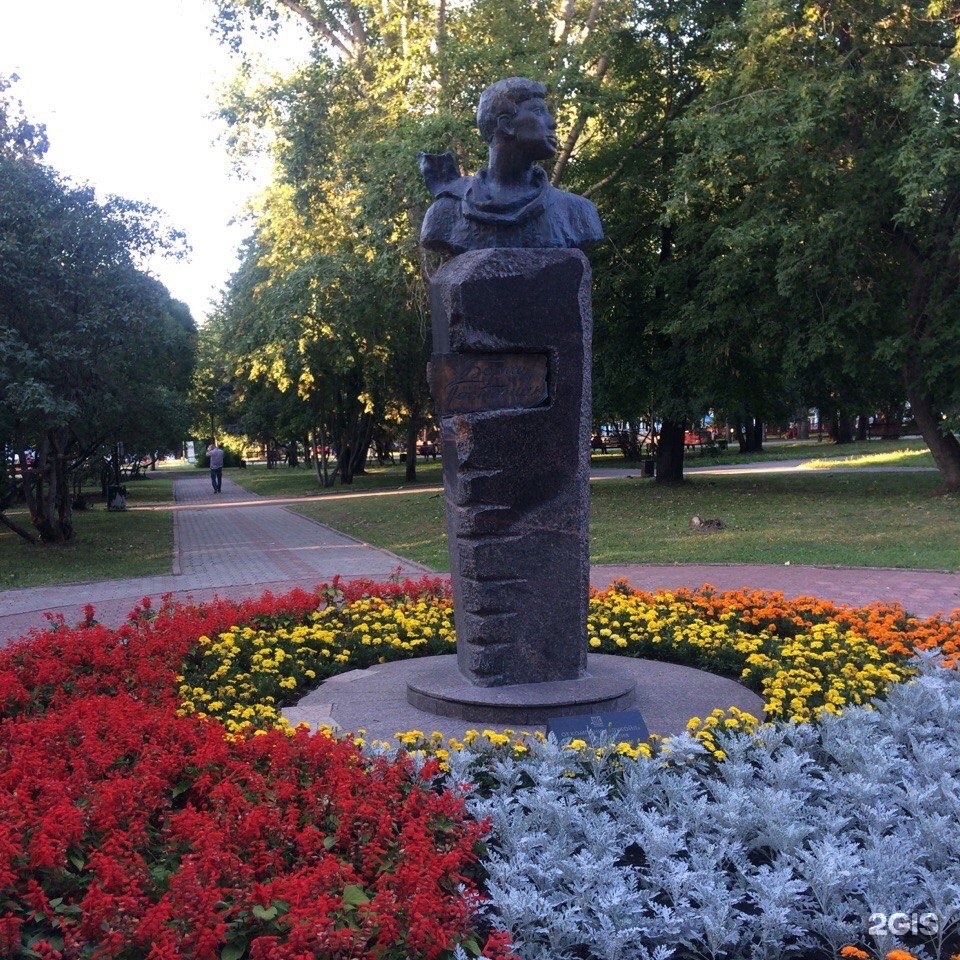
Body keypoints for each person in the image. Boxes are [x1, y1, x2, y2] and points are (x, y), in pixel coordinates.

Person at [419, 77, 603, 258]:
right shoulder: (446, 213)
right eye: (538, 111)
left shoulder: (578, 213)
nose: (552, 122)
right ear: (506, 125)